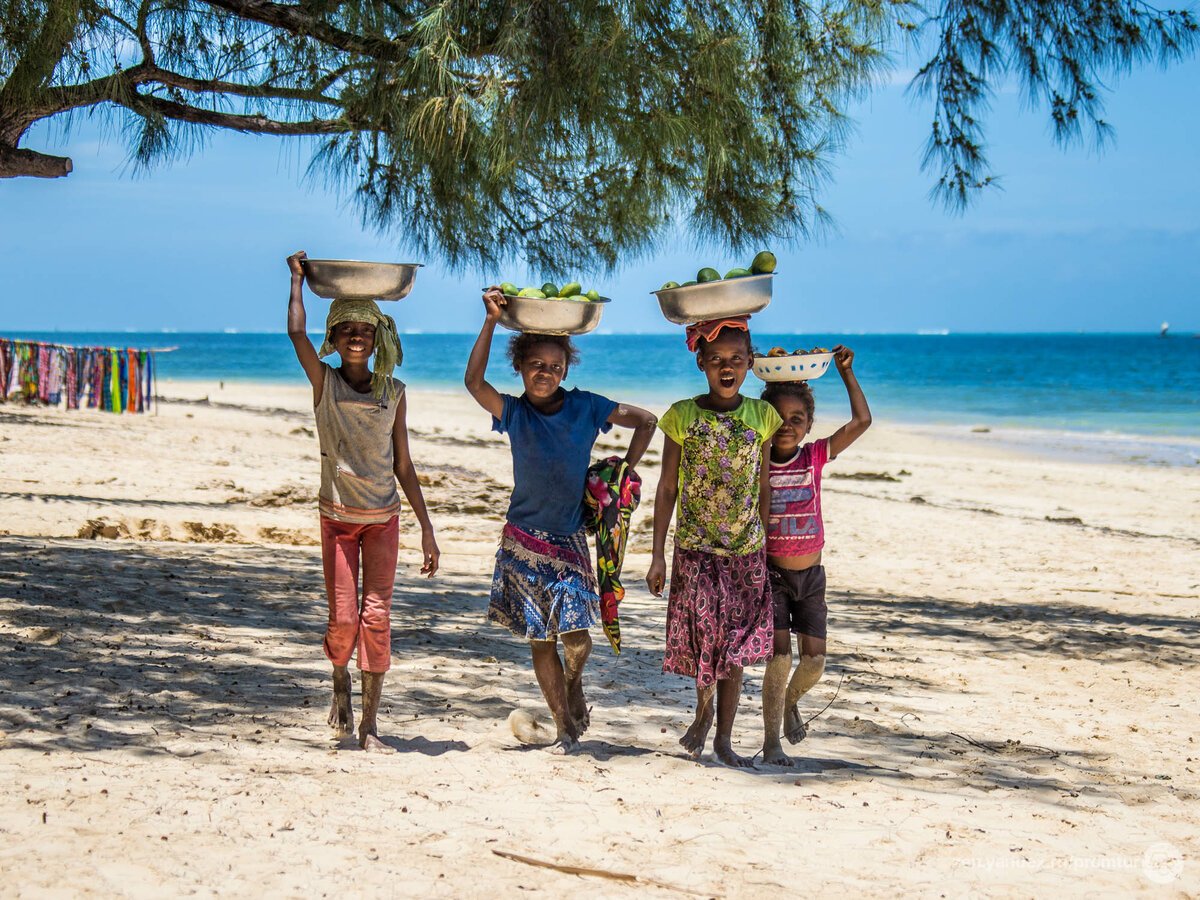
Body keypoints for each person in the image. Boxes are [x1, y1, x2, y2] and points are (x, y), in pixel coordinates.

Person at [465, 287, 657, 754]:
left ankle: (574, 688)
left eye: (554, 367)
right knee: (540, 639)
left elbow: (649, 421)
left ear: (565, 370)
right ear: (521, 366)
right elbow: (474, 383)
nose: (545, 373)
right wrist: (490, 320)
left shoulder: (587, 406)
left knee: (578, 640)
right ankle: (563, 727)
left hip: (569, 541)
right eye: (536, 365)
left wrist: (624, 472)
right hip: (522, 542)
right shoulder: (514, 412)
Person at [286, 250, 440, 752]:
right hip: (336, 518)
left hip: (383, 520)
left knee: (376, 617)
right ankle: (338, 683)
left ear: (378, 339)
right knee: (344, 618)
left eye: (365, 329)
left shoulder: (393, 391)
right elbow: (295, 335)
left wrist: (427, 527)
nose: (356, 336)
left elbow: (404, 465)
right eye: (346, 328)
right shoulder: (324, 384)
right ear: (333, 340)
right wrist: (296, 282)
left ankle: (370, 725)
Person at [645, 317, 782, 768]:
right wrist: (657, 554)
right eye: (718, 359)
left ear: (749, 364)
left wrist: (763, 547)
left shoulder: (762, 417)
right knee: (706, 637)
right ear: (701, 361)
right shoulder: (682, 415)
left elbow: (763, 487)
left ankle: (723, 737)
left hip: (745, 552)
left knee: (735, 649)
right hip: (696, 548)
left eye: (737, 360)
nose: (728, 368)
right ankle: (703, 713)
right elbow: (667, 488)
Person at [759, 345, 871, 766]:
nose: (787, 426)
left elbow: (862, 421)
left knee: (815, 662)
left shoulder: (814, 456)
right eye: (779, 419)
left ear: (808, 426)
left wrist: (846, 373)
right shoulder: (757, 460)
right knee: (779, 658)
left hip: (812, 576)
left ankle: (790, 702)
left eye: (797, 419)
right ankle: (772, 741)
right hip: (770, 576)